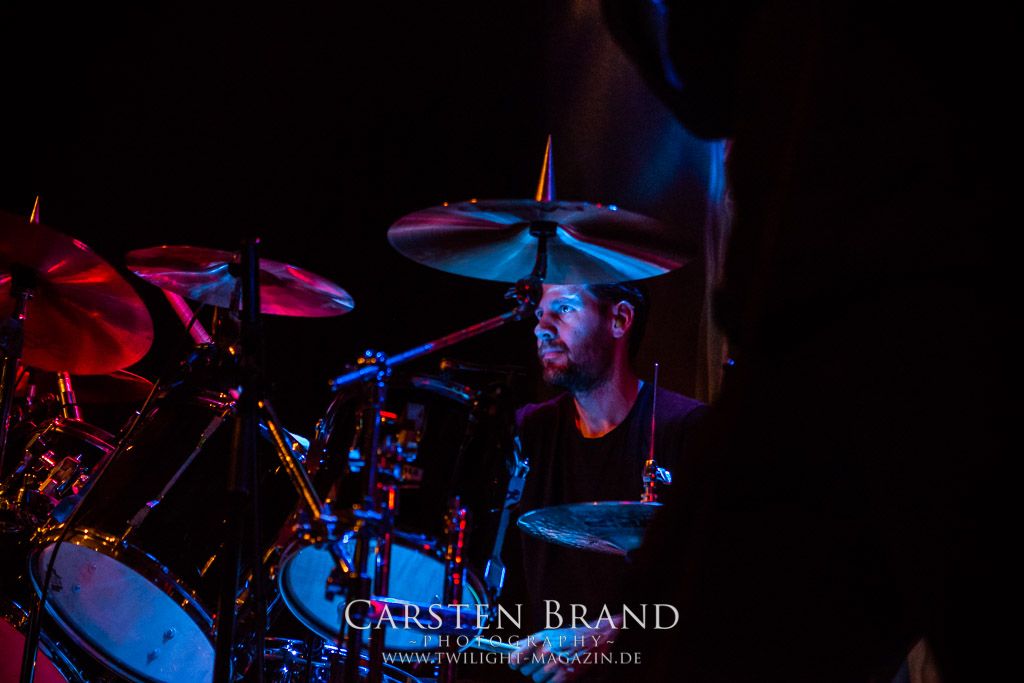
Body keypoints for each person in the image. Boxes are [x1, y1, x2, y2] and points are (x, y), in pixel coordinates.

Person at [500, 282, 706, 682]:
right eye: (540, 314)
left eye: (563, 309)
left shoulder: (688, 429)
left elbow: (721, 582)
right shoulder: (530, 430)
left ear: (619, 319)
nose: (541, 327)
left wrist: (611, 633)